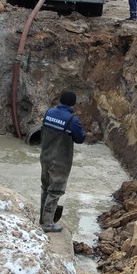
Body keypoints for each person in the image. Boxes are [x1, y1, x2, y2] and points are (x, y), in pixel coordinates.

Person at [39, 90, 86, 233]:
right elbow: (80, 139)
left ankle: (43, 218)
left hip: (45, 156)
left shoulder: (48, 113)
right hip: (60, 161)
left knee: (45, 187)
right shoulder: (72, 120)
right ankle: (47, 223)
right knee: (55, 191)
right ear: (73, 104)